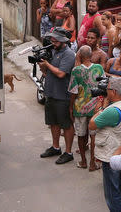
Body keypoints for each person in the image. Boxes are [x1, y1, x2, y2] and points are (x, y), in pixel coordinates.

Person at [88, 77, 121, 212]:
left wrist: (102, 107)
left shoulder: (112, 110)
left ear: (113, 91)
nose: (105, 91)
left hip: (110, 155)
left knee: (112, 192)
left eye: (107, 89)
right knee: (119, 187)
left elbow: (92, 124)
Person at [39, 28, 76, 164]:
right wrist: (42, 64)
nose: (52, 42)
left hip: (63, 95)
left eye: (55, 40)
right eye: (52, 40)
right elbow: (45, 73)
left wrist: (47, 64)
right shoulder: (52, 51)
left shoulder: (69, 54)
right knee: (53, 122)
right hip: (50, 93)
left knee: (66, 124)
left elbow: (61, 73)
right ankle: (55, 147)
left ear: (62, 41)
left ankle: (68, 152)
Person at [68, 45, 104, 170]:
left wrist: (71, 107)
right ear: (91, 55)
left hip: (80, 107)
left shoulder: (76, 70)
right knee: (93, 136)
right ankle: (93, 163)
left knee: (81, 135)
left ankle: (84, 161)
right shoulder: (99, 68)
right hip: (95, 107)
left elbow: (73, 92)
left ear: (79, 56)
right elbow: (102, 87)